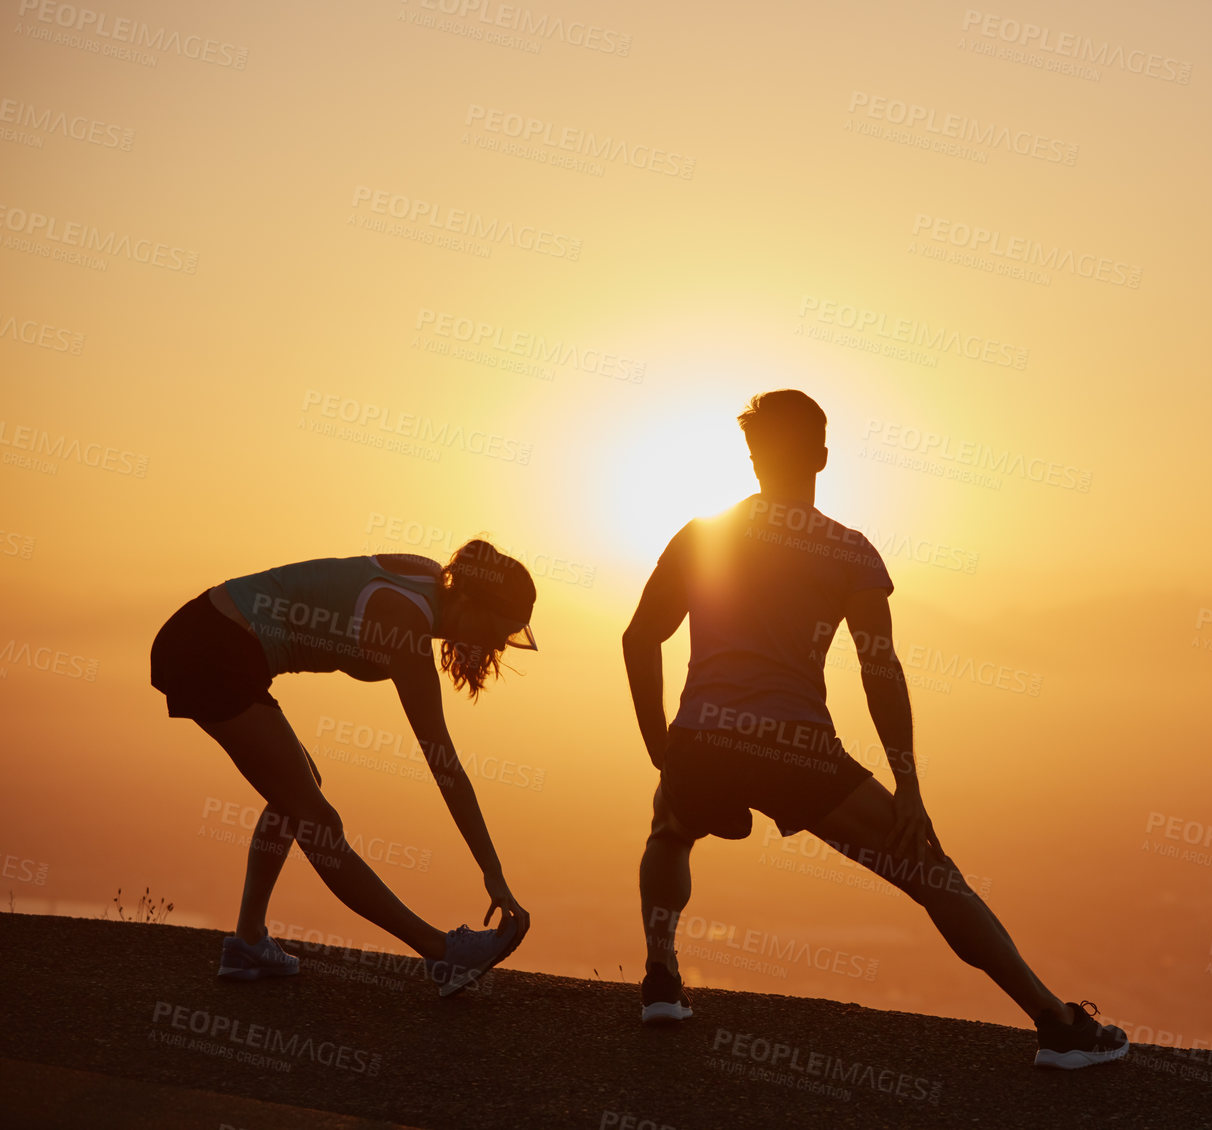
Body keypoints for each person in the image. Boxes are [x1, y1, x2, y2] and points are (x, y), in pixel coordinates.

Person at [622, 390, 1127, 1068]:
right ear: (823, 457)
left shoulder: (700, 535)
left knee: (669, 827)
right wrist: (908, 785)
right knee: (929, 872)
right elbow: (879, 670)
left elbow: (638, 638)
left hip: (702, 738)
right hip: (795, 747)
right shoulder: (849, 553)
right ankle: (1057, 1027)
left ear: (753, 457)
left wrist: (664, 750)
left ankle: (660, 979)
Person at [150, 539, 535, 996]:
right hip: (211, 651)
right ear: (471, 601)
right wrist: (492, 872)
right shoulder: (407, 630)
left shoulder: (431, 584)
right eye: (498, 630)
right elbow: (444, 765)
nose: (497, 646)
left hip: (216, 642)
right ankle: (441, 954)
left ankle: (249, 941)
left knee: (299, 788)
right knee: (319, 822)